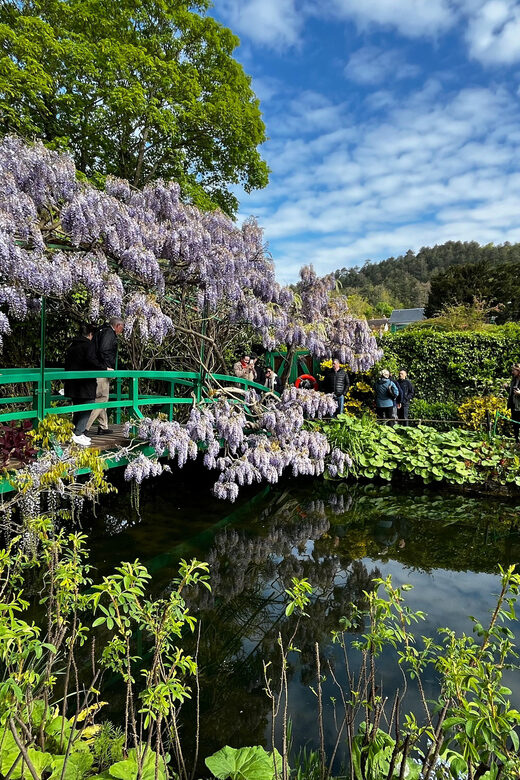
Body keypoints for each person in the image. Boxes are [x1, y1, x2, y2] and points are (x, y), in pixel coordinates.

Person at [64, 323, 107, 446]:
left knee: (78, 407)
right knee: (88, 405)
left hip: (72, 383)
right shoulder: (88, 346)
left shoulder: (72, 346)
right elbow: (92, 362)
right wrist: (104, 368)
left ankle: (76, 432)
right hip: (85, 383)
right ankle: (78, 432)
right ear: (90, 334)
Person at [86, 317, 123, 435]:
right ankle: (84, 428)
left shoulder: (101, 330)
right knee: (102, 399)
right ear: (117, 326)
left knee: (102, 397)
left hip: (96, 368)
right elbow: (104, 351)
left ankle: (103, 426)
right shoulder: (108, 333)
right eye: (122, 328)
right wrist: (107, 369)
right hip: (101, 370)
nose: (122, 331)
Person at [507, 363, 520, 443]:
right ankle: (516, 441)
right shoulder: (514, 380)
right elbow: (512, 393)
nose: (512, 372)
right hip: (514, 405)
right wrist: (507, 388)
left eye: (514, 370)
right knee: (515, 425)